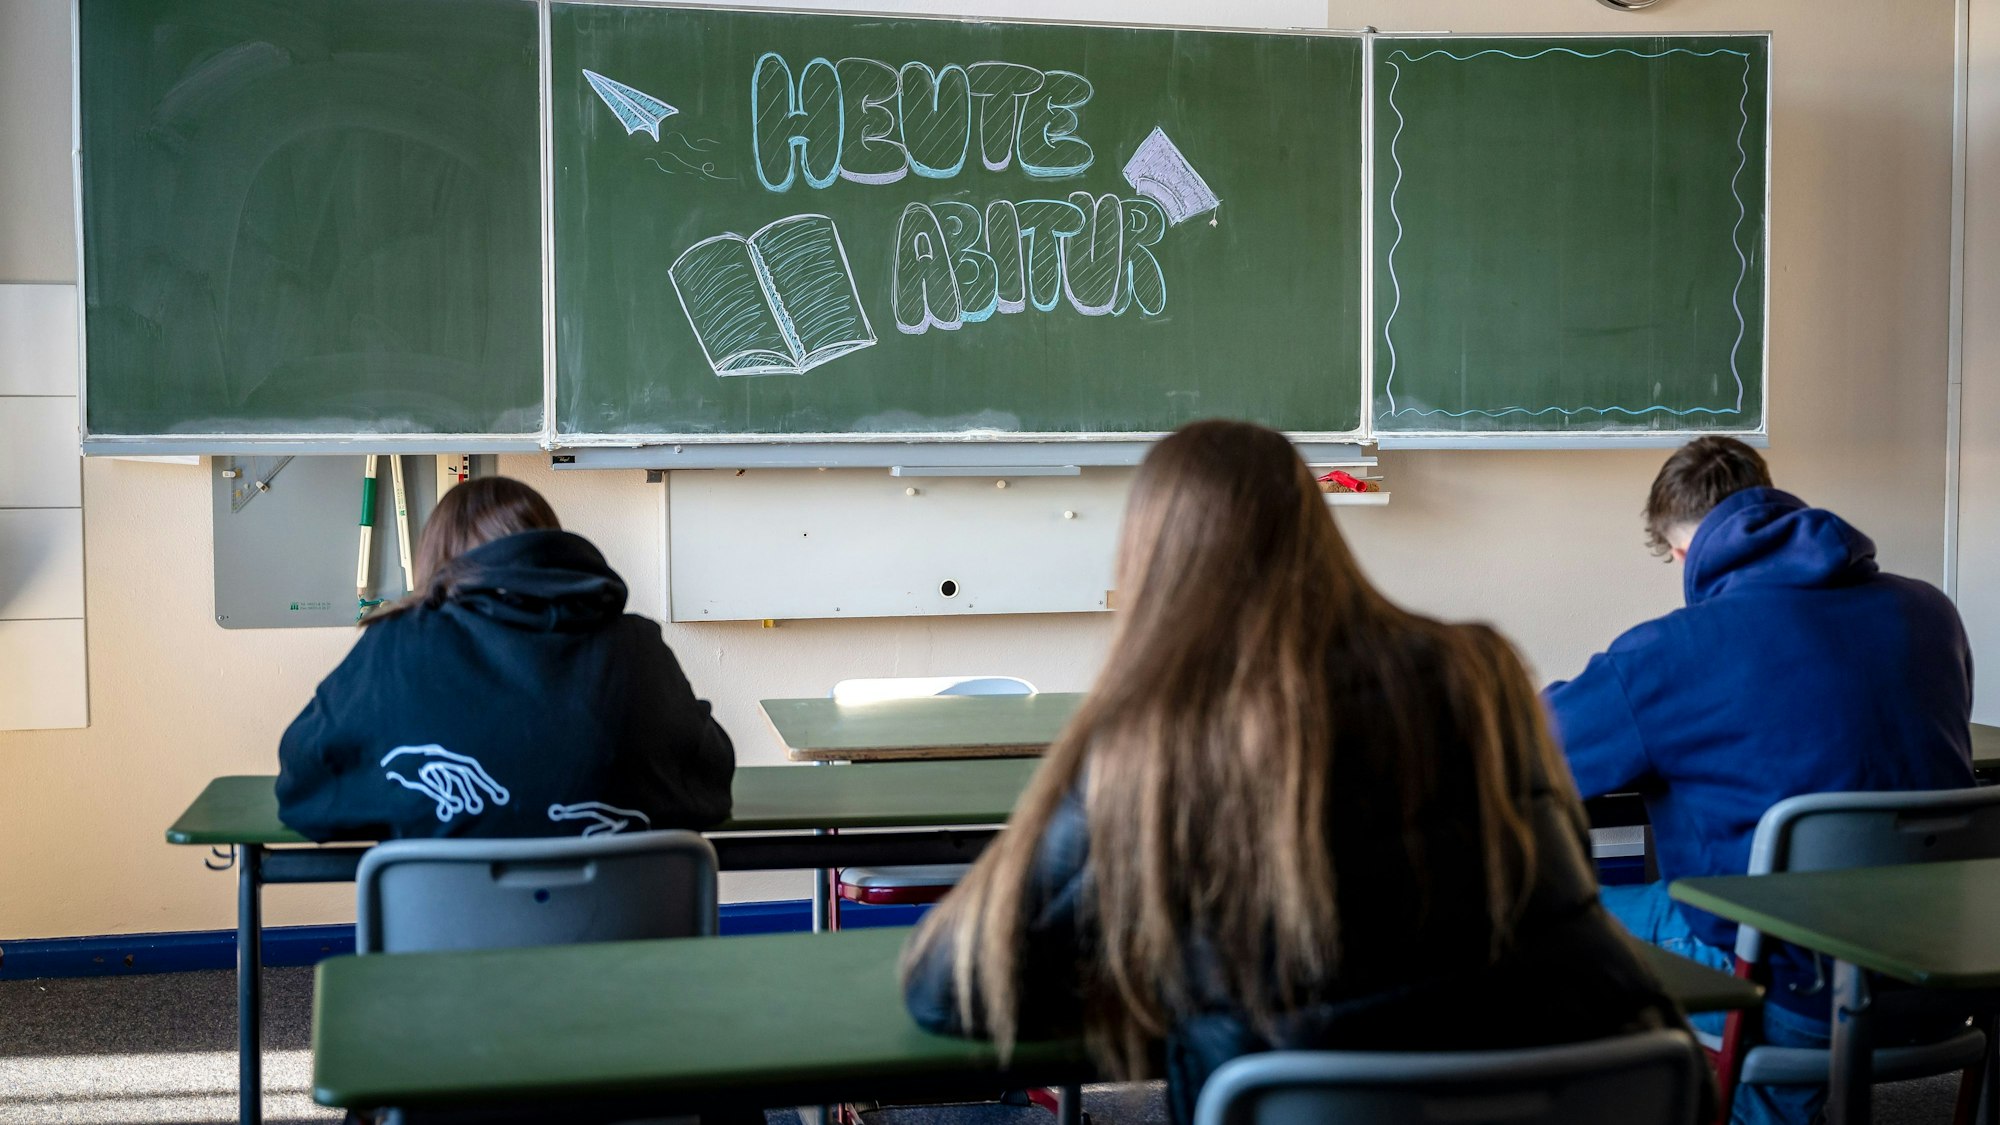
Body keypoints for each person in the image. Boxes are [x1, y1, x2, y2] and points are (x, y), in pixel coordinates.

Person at [901, 420, 1698, 1125]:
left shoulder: (1155, 737)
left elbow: (947, 988)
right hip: (1604, 1077)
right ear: (1318, 533)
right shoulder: (1481, 672)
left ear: (1148, 562)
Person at [1546, 436, 1974, 1125]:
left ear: (1681, 550)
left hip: (1789, 994)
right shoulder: (1929, 614)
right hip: (1948, 979)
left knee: (1543, 917)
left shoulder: (1671, 650)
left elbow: (1528, 749)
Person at [277, 476, 734, 841]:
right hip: (623, 946)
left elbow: (303, 789)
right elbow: (710, 786)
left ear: (434, 557)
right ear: (549, 546)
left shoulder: (395, 646)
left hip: (443, 949)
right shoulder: (636, 647)